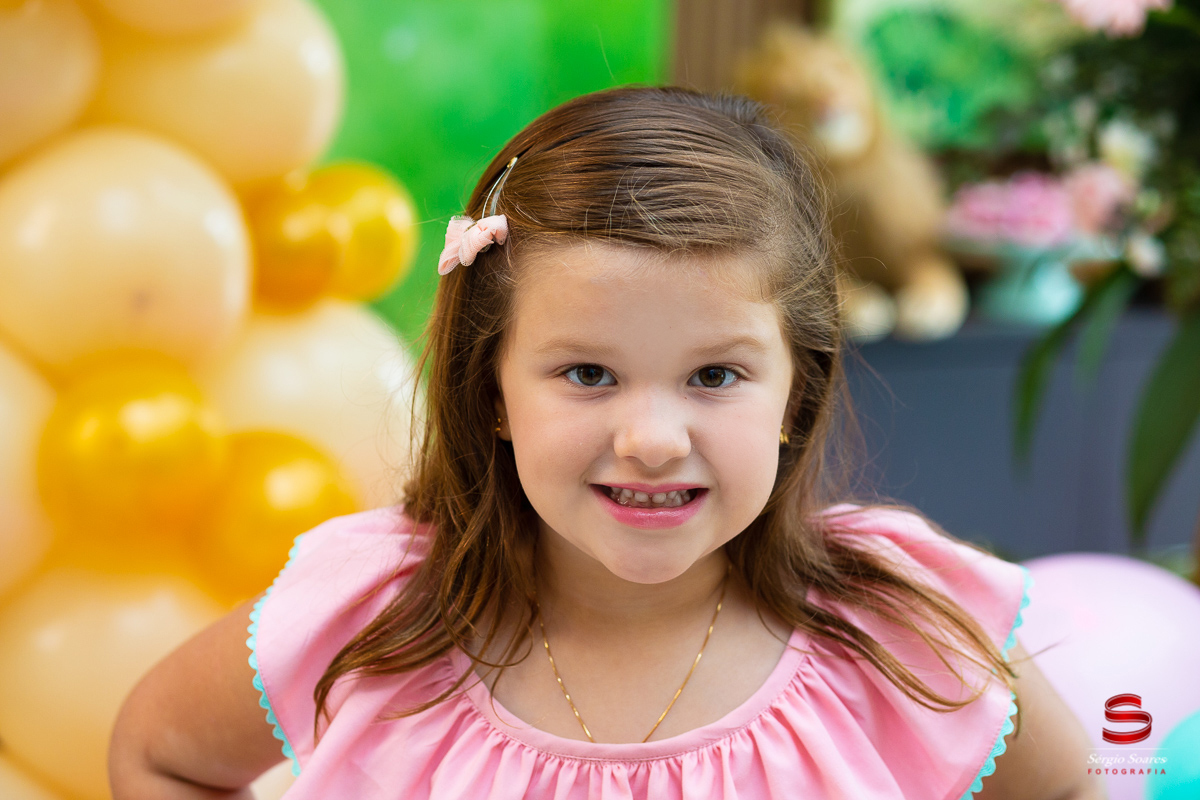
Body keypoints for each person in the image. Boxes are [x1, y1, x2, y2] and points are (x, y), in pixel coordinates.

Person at [109, 87, 1102, 799]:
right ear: (492, 390)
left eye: (715, 376)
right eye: (588, 374)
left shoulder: (898, 628)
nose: (652, 440)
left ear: (795, 392)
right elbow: (161, 753)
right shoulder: (376, 616)